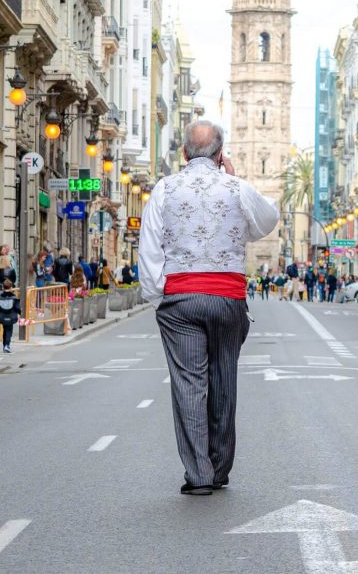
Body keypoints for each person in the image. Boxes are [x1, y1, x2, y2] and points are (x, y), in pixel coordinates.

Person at [139, 120, 279, 496]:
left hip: (181, 300)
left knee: (189, 384)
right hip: (228, 299)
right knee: (224, 381)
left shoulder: (165, 189)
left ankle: (199, 474)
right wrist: (233, 180)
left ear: (183, 154)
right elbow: (267, 220)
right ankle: (219, 467)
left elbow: (150, 249)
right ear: (220, 154)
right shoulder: (236, 187)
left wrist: (159, 298)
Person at [0, 279, 20, 353]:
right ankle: (7, 345)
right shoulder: (14, 297)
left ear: (3, 287)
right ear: (11, 287)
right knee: (9, 331)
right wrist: (20, 313)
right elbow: (17, 308)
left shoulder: (0, 296)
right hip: (11, 316)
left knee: (5, 330)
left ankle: (4, 345)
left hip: (2, 317)